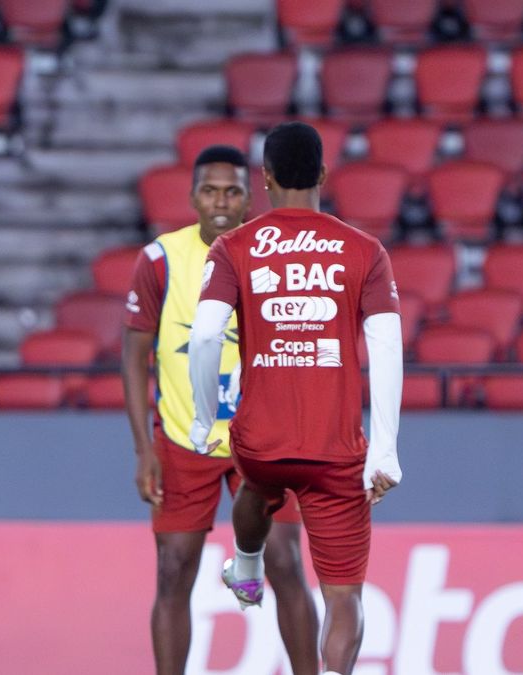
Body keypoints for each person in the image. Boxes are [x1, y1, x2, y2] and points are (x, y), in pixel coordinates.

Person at [188, 122, 403, 675]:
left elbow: (207, 333)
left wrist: (204, 416)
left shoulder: (234, 246)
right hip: (337, 451)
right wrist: (385, 450)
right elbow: (387, 349)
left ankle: (247, 560)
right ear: (324, 176)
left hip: (264, 440)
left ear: (264, 179)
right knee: (344, 598)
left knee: (257, 486)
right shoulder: (365, 251)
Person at [122, 145, 320, 675]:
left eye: (233, 190)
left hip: (264, 440)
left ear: (249, 198)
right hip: (186, 441)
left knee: (284, 561)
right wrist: (144, 450)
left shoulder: (273, 255)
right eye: (210, 190)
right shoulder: (161, 259)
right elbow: (134, 354)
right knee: (173, 570)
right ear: (192, 197)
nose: (221, 201)